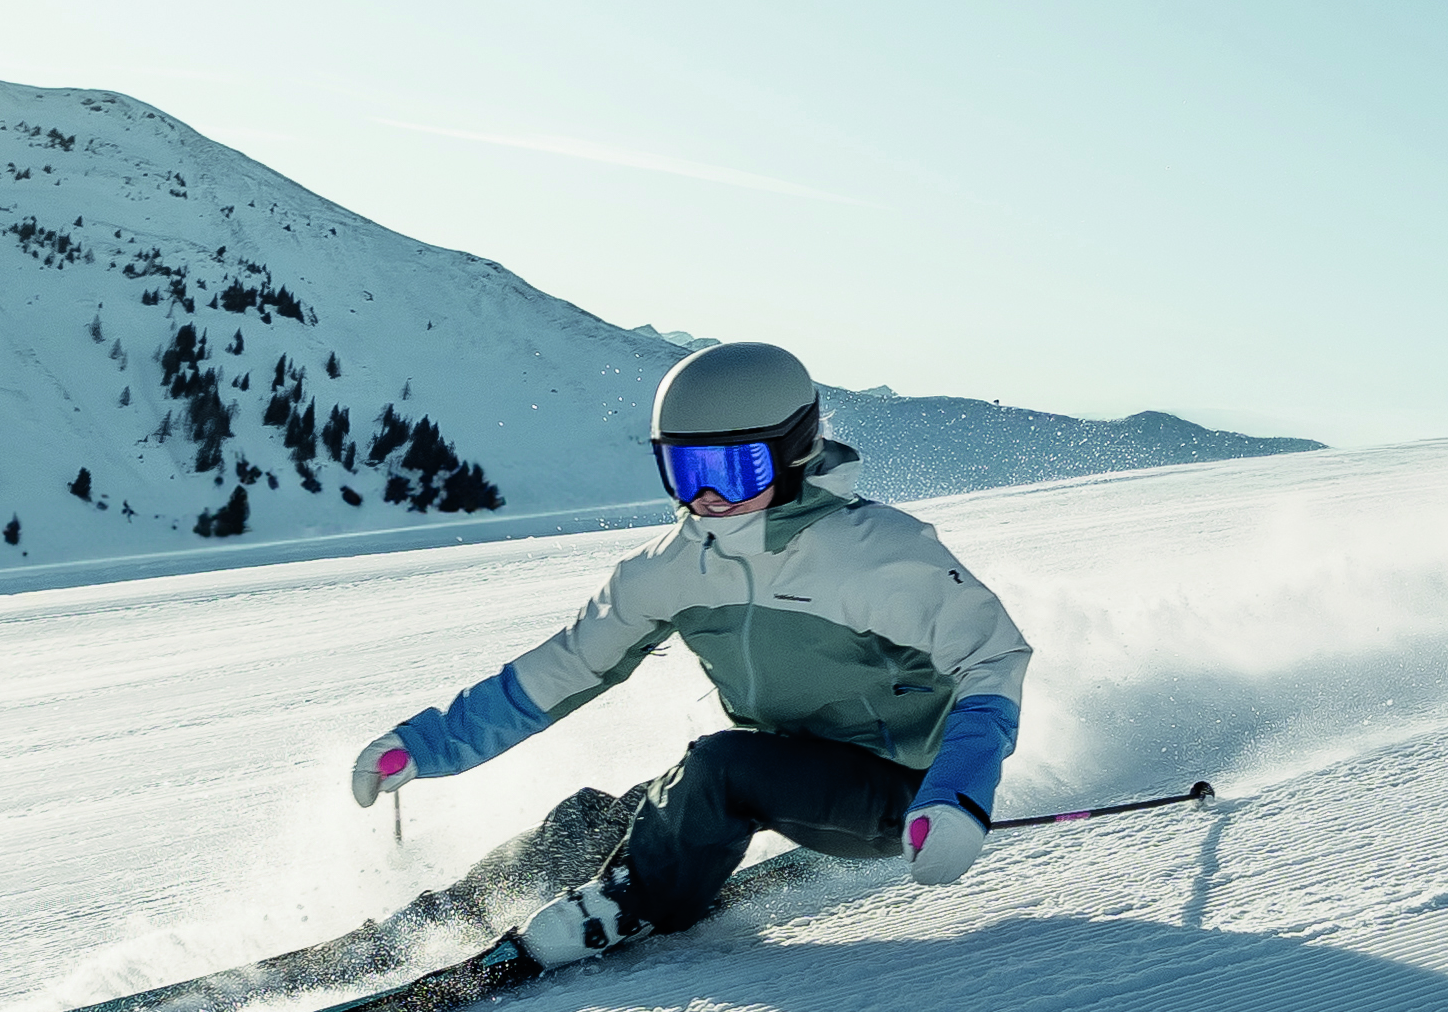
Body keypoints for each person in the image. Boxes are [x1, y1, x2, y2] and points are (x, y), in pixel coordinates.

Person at [345, 337, 1033, 968]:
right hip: (783, 760)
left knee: (720, 771)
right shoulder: (669, 569)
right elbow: (566, 668)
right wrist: (429, 744)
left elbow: (992, 662)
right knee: (601, 817)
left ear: (793, 451)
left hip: (901, 789)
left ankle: (630, 903)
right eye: (685, 469)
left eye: (733, 470)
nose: (707, 498)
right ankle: (451, 915)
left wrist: (957, 795)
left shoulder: (877, 554)